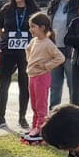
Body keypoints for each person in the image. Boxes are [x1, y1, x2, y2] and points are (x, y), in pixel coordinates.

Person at [0, 0, 37, 129]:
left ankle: (22, 117)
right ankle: (1, 117)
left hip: (26, 53)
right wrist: (6, 39)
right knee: (4, 83)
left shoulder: (33, 10)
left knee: (24, 84)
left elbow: (40, 30)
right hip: (8, 52)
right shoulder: (6, 9)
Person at [22, 11, 65, 143]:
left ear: (42, 27)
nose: (30, 29)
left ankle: (40, 129)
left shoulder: (48, 43)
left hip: (41, 77)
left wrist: (46, 66)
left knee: (41, 105)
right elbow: (27, 49)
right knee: (34, 104)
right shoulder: (34, 41)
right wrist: (31, 62)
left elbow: (60, 58)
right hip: (32, 76)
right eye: (30, 26)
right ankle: (34, 126)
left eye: (33, 26)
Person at [46, 0, 79, 106]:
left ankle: (75, 114)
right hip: (55, 50)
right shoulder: (56, 1)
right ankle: (53, 114)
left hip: (70, 50)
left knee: (73, 86)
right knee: (54, 86)